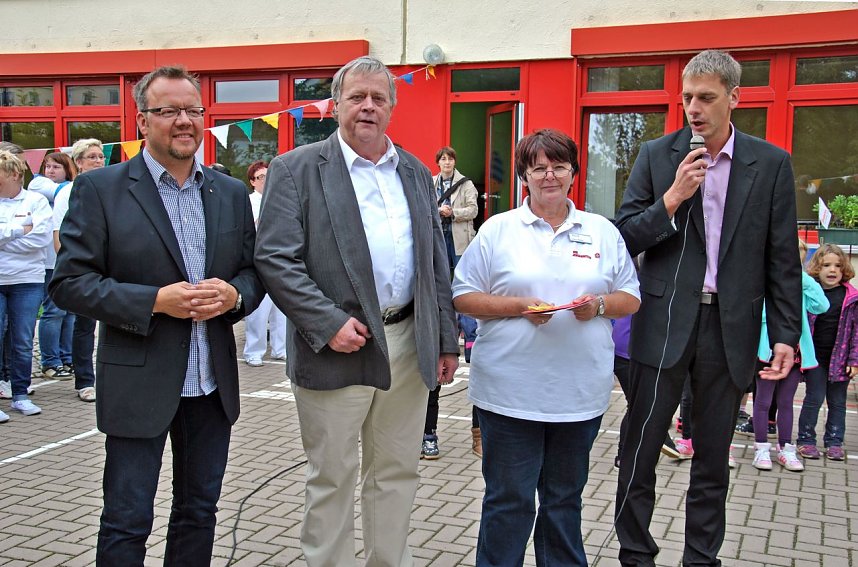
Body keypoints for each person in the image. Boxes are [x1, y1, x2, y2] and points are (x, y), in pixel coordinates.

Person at [50, 65, 263, 565]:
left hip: (210, 385)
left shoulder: (229, 192)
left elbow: (255, 274)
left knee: (199, 512)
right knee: (127, 521)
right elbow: (69, 283)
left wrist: (233, 296)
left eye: (193, 110)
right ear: (143, 120)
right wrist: (152, 301)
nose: (184, 121)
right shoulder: (100, 189)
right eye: (169, 111)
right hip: (139, 384)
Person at [254, 56, 460, 567]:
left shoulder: (413, 170)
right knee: (332, 476)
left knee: (396, 471)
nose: (368, 107)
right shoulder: (295, 168)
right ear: (336, 105)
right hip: (336, 347)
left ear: (391, 106)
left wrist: (447, 339)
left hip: (409, 343)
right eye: (356, 97)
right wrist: (325, 323)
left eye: (378, 98)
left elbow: (434, 260)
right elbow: (275, 258)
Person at [613, 49, 802, 566]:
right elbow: (624, 237)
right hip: (664, 323)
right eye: (687, 98)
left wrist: (786, 333)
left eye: (706, 98)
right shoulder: (657, 156)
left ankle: (701, 557)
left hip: (729, 326)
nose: (694, 108)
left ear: (734, 99)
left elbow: (782, 258)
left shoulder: (770, 164)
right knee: (639, 450)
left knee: (713, 460)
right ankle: (635, 554)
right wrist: (672, 198)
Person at [453, 128, 640, 567]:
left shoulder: (601, 231)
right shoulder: (498, 230)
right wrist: (518, 307)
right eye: (538, 167)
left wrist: (596, 305)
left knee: (563, 502)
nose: (549, 175)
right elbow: (462, 295)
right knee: (509, 501)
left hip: (578, 395)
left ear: (573, 173)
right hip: (508, 393)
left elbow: (630, 296)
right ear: (525, 176)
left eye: (559, 166)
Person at [751, 239, 828, 472]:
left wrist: (802, 279)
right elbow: (760, 315)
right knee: (763, 401)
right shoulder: (763, 281)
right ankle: (761, 447)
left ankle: (786, 449)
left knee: (786, 402)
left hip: (795, 354)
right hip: (767, 352)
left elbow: (821, 306)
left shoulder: (802, 283)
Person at [424, 145, 479, 460]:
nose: (446, 163)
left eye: (450, 159)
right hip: (436, 240)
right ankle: (425, 433)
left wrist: (452, 212)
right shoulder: (431, 182)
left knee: (459, 290)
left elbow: (472, 211)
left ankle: (467, 336)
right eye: (442, 158)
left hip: (457, 239)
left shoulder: (466, 184)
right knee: (438, 287)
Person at [53, 138, 107, 402]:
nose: (98, 161)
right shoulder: (68, 192)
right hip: (84, 271)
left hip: (108, 270)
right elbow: (59, 237)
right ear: (78, 163)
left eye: (101, 156)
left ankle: (109, 376)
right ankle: (84, 380)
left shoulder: (110, 189)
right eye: (92, 157)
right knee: (83, 327)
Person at [0, 148, 53, 420]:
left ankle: (20, 394)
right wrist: (21, 230)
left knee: (21, 340)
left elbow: (41, 239)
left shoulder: (36, 201)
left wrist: (5, 238)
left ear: (14, 175)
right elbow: (30, 237)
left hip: (28, 281)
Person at [796, 243, 857, 462]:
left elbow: (856, 333)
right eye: (826, 265)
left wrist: (854, 359)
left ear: (844, 269)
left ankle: (834, 441)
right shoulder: (811, 292)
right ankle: (805, 439)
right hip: (816, 358)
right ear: (816, 268)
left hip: (840, 359)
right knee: (814, 398)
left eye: (838, 266)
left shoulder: (851, 298)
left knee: (838, 401)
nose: (832, 270)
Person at [29, 152, 76, 380]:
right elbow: (59, 189)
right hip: (50, 261)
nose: (50, 171)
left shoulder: (64, 187)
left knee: (70, 312)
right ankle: (51, 360)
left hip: (67, 260)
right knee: (54, 311)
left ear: (68, 168)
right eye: (47, 166)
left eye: (56, 167)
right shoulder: (39, 185)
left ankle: (67, 358)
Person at [242, 160, 287, 366]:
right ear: (252, 181)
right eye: (261, 177)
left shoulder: (280, 197)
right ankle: (254, 351)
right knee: (259, 311)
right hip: (258, 260)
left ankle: (280, 348)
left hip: (280, 259)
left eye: (269, 176)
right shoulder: (248, 201)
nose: (266, 180)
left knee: (282, 309)